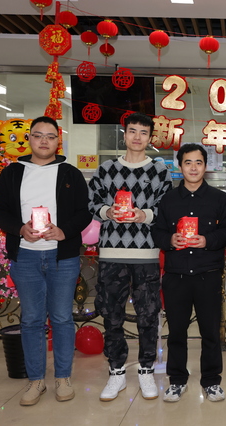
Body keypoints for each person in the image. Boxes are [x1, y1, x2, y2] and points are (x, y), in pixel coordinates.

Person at [0, 115, 92, 406]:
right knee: (32, 320)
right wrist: (19, 228)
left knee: (61, 318)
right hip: (25, 256)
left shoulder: (70, 173)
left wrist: (64, 231)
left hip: (63, 256)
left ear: (59, 140)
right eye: (38, 135)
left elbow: (84, 213)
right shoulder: (12, 172)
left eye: (50, 136)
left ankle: (63, 377)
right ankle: (36, 380)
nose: (44, 141)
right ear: (30, 139)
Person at [88, 112, 172, 402]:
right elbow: (91, 201)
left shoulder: (159, 170)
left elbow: (166, 208)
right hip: (112, 252)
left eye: (143, 132)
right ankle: (116, 372)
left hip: (146, 253)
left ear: (150, 138)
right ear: (124, 135)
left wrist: (143, 214)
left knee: (148, 315)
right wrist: (107, 211)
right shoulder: (106, 169)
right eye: (133, 131)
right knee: (111, 314)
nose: (137, 137)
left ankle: (146, 370)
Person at [151, 143, 226, 403]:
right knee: (176, 332)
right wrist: (170, 239)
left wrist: (207, 240)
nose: (194, 167)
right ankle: (177, 380)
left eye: (199, 162)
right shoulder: (168, 199)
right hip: (176, 276)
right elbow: (157, 231)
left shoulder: (220, 199)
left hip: (208, 274)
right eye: (188, 162)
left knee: (211, 332)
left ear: (205, 166)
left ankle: (211, 381)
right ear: (180, 166)